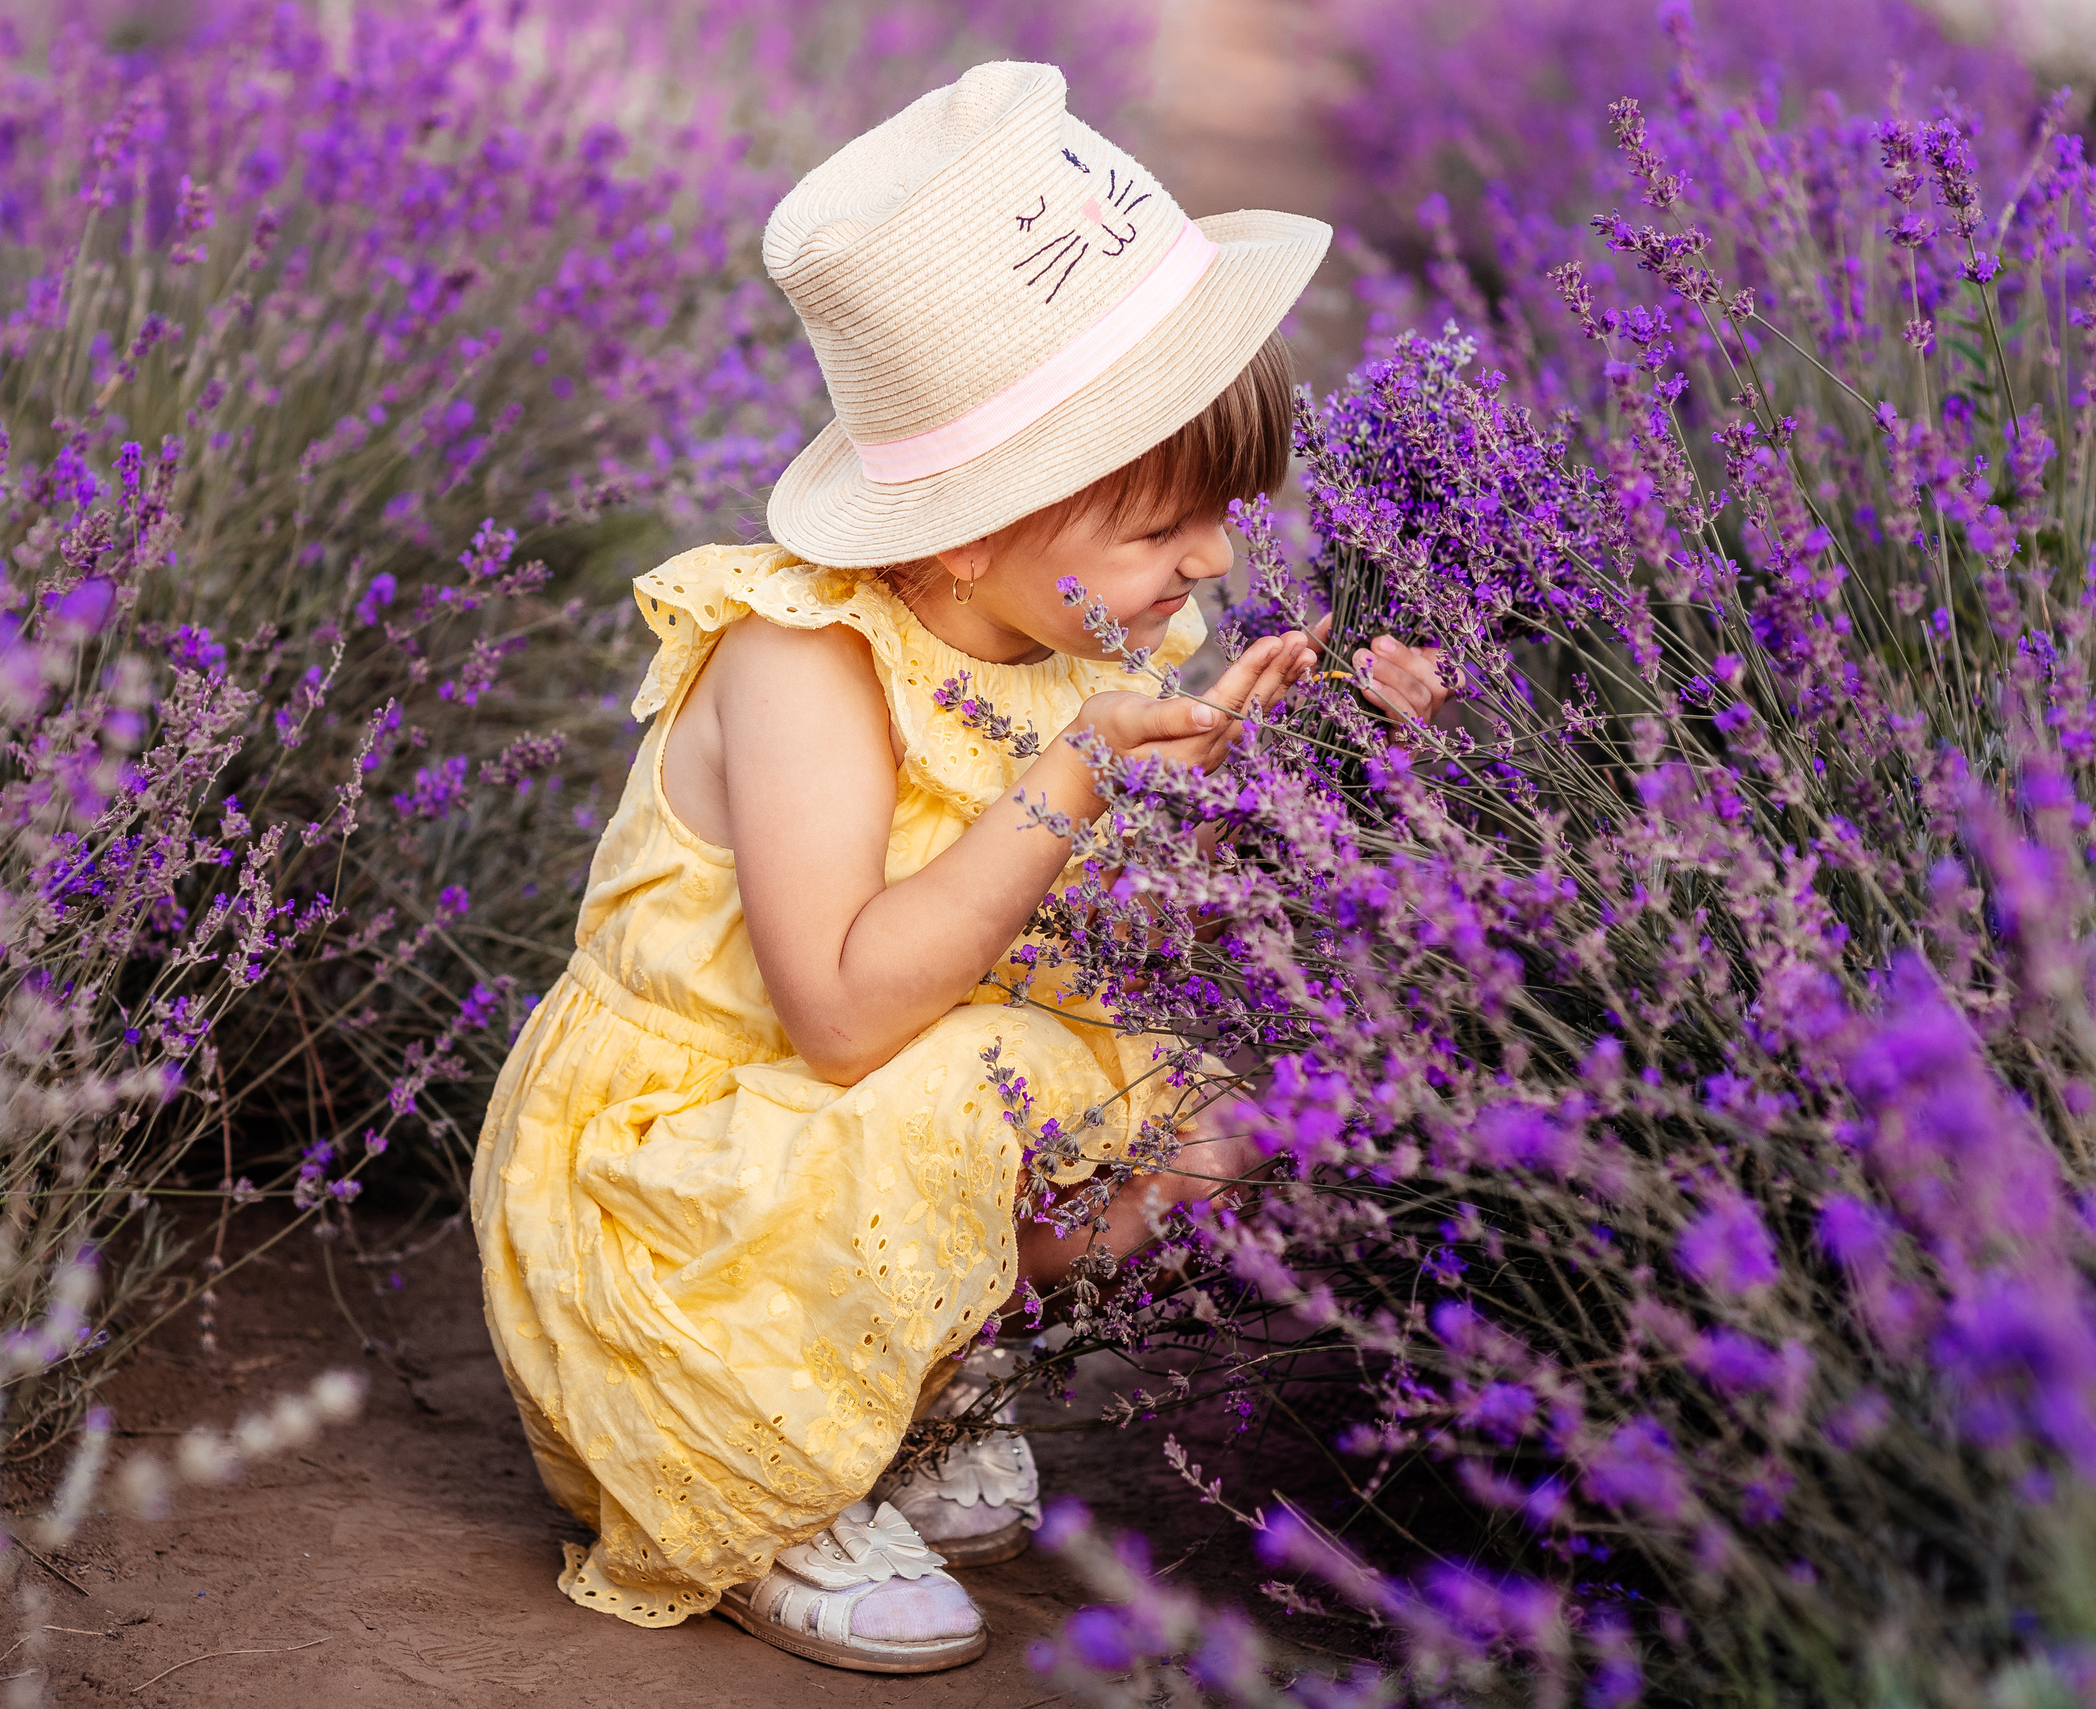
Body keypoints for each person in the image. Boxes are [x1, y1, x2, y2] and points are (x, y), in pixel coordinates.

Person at [471, 61, 1447, 1673]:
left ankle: (913, 1387)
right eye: (1165, 526)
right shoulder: (804, 663)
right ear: (967, 531)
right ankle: (764, 1470)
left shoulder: (1082, 626)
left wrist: (1315, 747)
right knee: (989, 1070)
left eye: (1222, 513)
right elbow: (846, 1013)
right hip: (684, 1204)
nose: (1213, 558)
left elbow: (1120, 923)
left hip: (857, 1139)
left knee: (1204, 1117)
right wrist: (1076, 773)